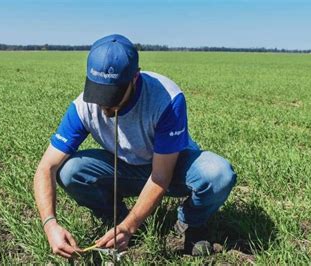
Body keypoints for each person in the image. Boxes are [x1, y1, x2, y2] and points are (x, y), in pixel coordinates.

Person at [33, 34, 237, 258]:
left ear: (135, 77)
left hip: (173, 168)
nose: (104, 103)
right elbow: (46, 168)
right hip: (126, 168)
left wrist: (131, 226)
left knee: (218, 174)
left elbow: (161, 176)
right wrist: (50, 225)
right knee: (69, 170)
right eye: (99, 93)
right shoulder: (82, 107)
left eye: (113, 95)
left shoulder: (166, 98)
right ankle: (116, 218)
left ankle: (192, 223)